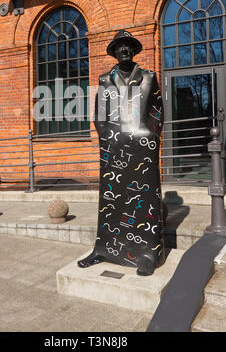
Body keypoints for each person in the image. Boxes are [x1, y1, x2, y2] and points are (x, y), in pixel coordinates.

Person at [77, 30, 165, 276]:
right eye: (119, 46)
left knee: (145, 201)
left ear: (134, 50)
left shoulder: (148, 77)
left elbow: (158, 111)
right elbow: (98, 116)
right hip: (113, 148)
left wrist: (150, 136)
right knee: (111, 198)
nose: (124, 49)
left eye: (128, 45)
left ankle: (148, 252)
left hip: (142, 148)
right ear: (114, 52)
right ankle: (104, 248)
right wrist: (106, 138)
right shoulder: (105, 80)